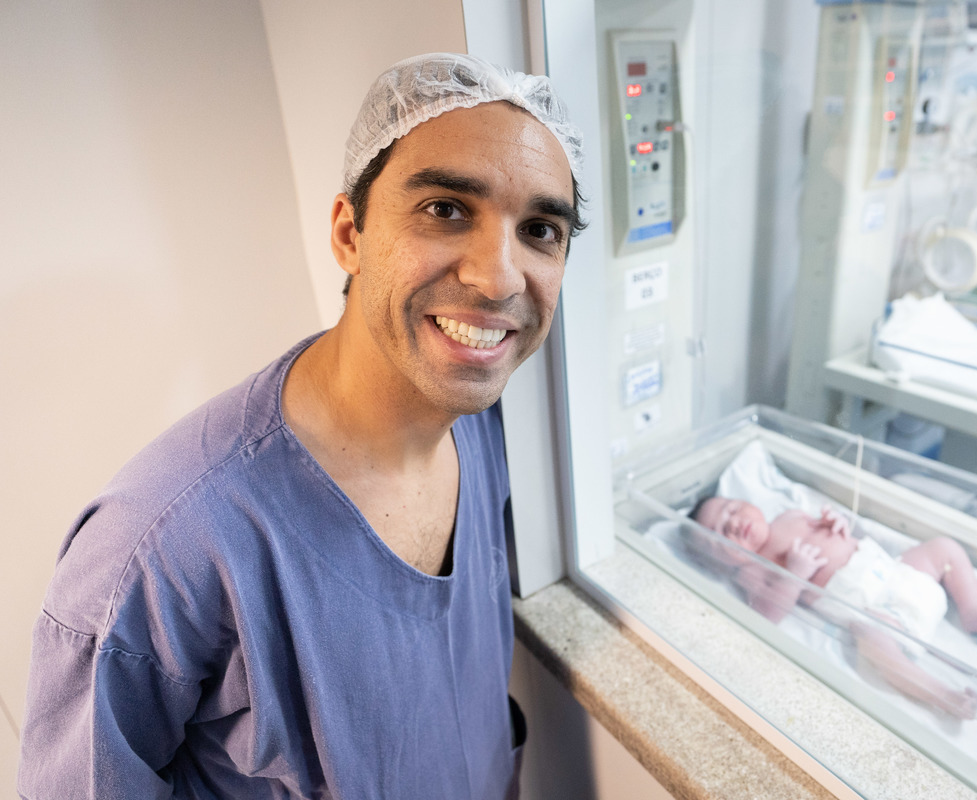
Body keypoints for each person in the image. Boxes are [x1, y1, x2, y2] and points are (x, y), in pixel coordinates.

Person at [17, 53, 584, 800]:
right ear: (350, 233)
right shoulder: (159, 547)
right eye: (446, 209)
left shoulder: (488, 434)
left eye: (540, 229)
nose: (499, 276)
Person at [693, 497, 977, 719]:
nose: (733, 523)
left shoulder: (789, 515)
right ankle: (943, 695)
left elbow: (836, 530)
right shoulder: (752, 569)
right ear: (720, 559)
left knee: (944, 547)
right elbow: (767, 614)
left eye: (732, 509)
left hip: (898, 572)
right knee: (872, 641)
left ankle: (973, 610)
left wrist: (836, 521)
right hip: (874, 610)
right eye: (719, 532)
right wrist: (795, 574)